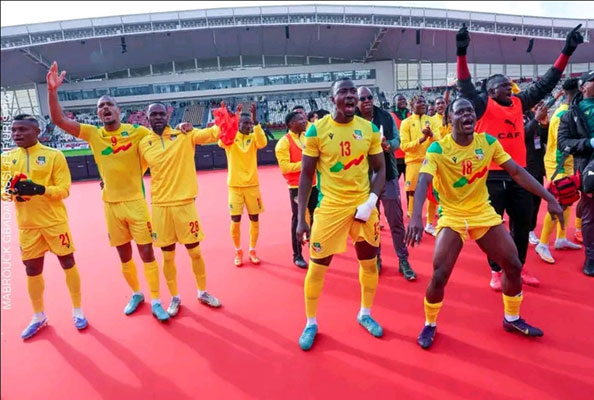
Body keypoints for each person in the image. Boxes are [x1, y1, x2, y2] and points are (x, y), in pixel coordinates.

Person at [405, 98, 565, 349]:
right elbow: (424, 180)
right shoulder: (438, 149)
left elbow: (516, 172)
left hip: (482, 212)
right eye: (460, 112)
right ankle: (430, 323)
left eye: (470, 111)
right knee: (440, 274)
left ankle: (511, 318)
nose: (467, 115)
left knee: (513, 264)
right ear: (450, 119)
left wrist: (549, 197)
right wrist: (416, 216)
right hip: (453, 214)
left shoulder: (488, 143)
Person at [455, 24, 583, 290]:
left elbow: (547, 83)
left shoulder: (518, 102)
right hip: (490, 176)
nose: (510, 89)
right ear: (490, 91)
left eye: (510, 85)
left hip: (519, 175)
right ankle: (495, 270)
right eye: (503, 86)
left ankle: (518, 267)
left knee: (522, 225)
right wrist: (461, 52)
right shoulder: (482, 105)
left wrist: (567, 50)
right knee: (493, 227)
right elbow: (465, 86)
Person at [46, 62, 168, 321]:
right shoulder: (93, 134)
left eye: (109, 105)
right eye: (101, 107)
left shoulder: (137, 132)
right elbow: (58, 120)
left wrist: (184, 131)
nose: (105, 109)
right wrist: (52, 91)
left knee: (147, 253)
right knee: (124, 255)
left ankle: (157, 300)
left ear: (118, 110)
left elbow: (161, 136)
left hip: (136, 203)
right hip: (111, 206)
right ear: (98, 114)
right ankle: (137, 293)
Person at [296, 78, 386, 351]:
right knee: (317, 267)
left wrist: (370, 203)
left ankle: (365, 313)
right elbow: (306, 175)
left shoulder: (369, 129)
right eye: (343, 92)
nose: (350, 96)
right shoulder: (317, 130)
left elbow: (380, 169)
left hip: (362, 208)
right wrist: (302, 218)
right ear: (331, 99)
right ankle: (310, 322)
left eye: (352, 92)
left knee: (369, 264)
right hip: (331, 208)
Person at [1, 114, 88, 339]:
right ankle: (38, 315)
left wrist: (40, 190)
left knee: (68, 262)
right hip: (27, 226)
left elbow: (64, 189)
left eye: (22, 129)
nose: (16, 134)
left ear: (37, 132)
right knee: (32, 269)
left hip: (54, 223)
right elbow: (3, 192)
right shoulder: (6, 158)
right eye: (14, 130)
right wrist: (13, 192)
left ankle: (77, 310)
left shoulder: (54, 155)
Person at [138, 103, 223, 316]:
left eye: (161, 114)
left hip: (185, 204)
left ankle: (202, 292)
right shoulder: (144, 143)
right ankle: (175, 297)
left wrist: (224, 118)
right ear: (147, 118)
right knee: (167, 257)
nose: (158, 117)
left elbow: (212, 134)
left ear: (167, 116)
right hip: (160, 206)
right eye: (154, 114)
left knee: (195, 252)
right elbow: (134, 172)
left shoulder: (184, 134)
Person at [356, 87, 416, 280]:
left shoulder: (386, 117)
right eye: (362, 98)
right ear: (356, 101)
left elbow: (398, 140)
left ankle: (403, 260)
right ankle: (376, 258)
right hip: (363, 180)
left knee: (396, 221)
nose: (367, 100)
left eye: (369, 97)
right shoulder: (351, 120)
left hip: (387, 176)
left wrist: (388, 145)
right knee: (370, 223)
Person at [535, 79, 583, 263]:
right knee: (559, 202)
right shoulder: (563, 114)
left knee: (568, 199)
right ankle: (542, 244)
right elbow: (561, 144)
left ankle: (561, 238)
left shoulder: (569, 111)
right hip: (558, 163)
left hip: (567, 162)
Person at [219, 103, 267, 266]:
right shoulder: (231, 139)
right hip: (235, 186)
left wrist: (257, 122)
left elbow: (263, 143)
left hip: (252, 186)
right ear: (238, 124)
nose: (248, 126)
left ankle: (252, 250)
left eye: (250, 123)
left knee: (254, 218)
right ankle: (238, 251)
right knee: (235, 220)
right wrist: (231, 120)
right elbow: (221, 141)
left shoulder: (254, 138)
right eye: (245, 123)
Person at [558, 70, 594, 276]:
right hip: (589, 169)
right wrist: (588, 143)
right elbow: (563, 143)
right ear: (583, 87)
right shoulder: (570, 114)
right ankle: (591, 259)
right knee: (590, 216)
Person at [274, 111, 319, 269]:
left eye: (304, 118)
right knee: (298, 219)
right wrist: (307, 163)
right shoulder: (283, 143)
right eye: (300, 119)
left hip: (314, 184)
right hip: (296, 187)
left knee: (316, 216)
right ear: (291, 124)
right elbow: (285, 168)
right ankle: (297, 255)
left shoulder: (307, 136)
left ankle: (314, 247)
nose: (304, 120)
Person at [400, 95, 442, 233]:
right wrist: (422, 139)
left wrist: (431, 135)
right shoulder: (406, 123)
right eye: (419, 102)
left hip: (430, 161)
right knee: (412, 193)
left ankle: (429, 224)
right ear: (412, 105)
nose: (423, 104)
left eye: (424, 102)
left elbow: (439, 141)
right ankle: (413, 222)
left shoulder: (432, 120)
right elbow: (404, 146)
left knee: (432, 194)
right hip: (413, 162)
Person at [524, 101, 549, 246]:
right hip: (523, 167)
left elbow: (545, 139)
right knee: (524, 202)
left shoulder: (535, 116)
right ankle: (520, 229)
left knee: (536, 201)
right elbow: (523, 135)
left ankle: (530, 229)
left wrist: (544, 126)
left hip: (537, 166)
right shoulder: (518, 117)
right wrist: (535, 120)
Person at [391, 94, 411, 180]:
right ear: (394, 102)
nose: (402, 101)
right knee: (394, 182)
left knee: (410, 183)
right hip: (396, 155)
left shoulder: (411, 114)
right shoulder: (390, 116)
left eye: (403, 99)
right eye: (399, 100)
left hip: (409, 156)